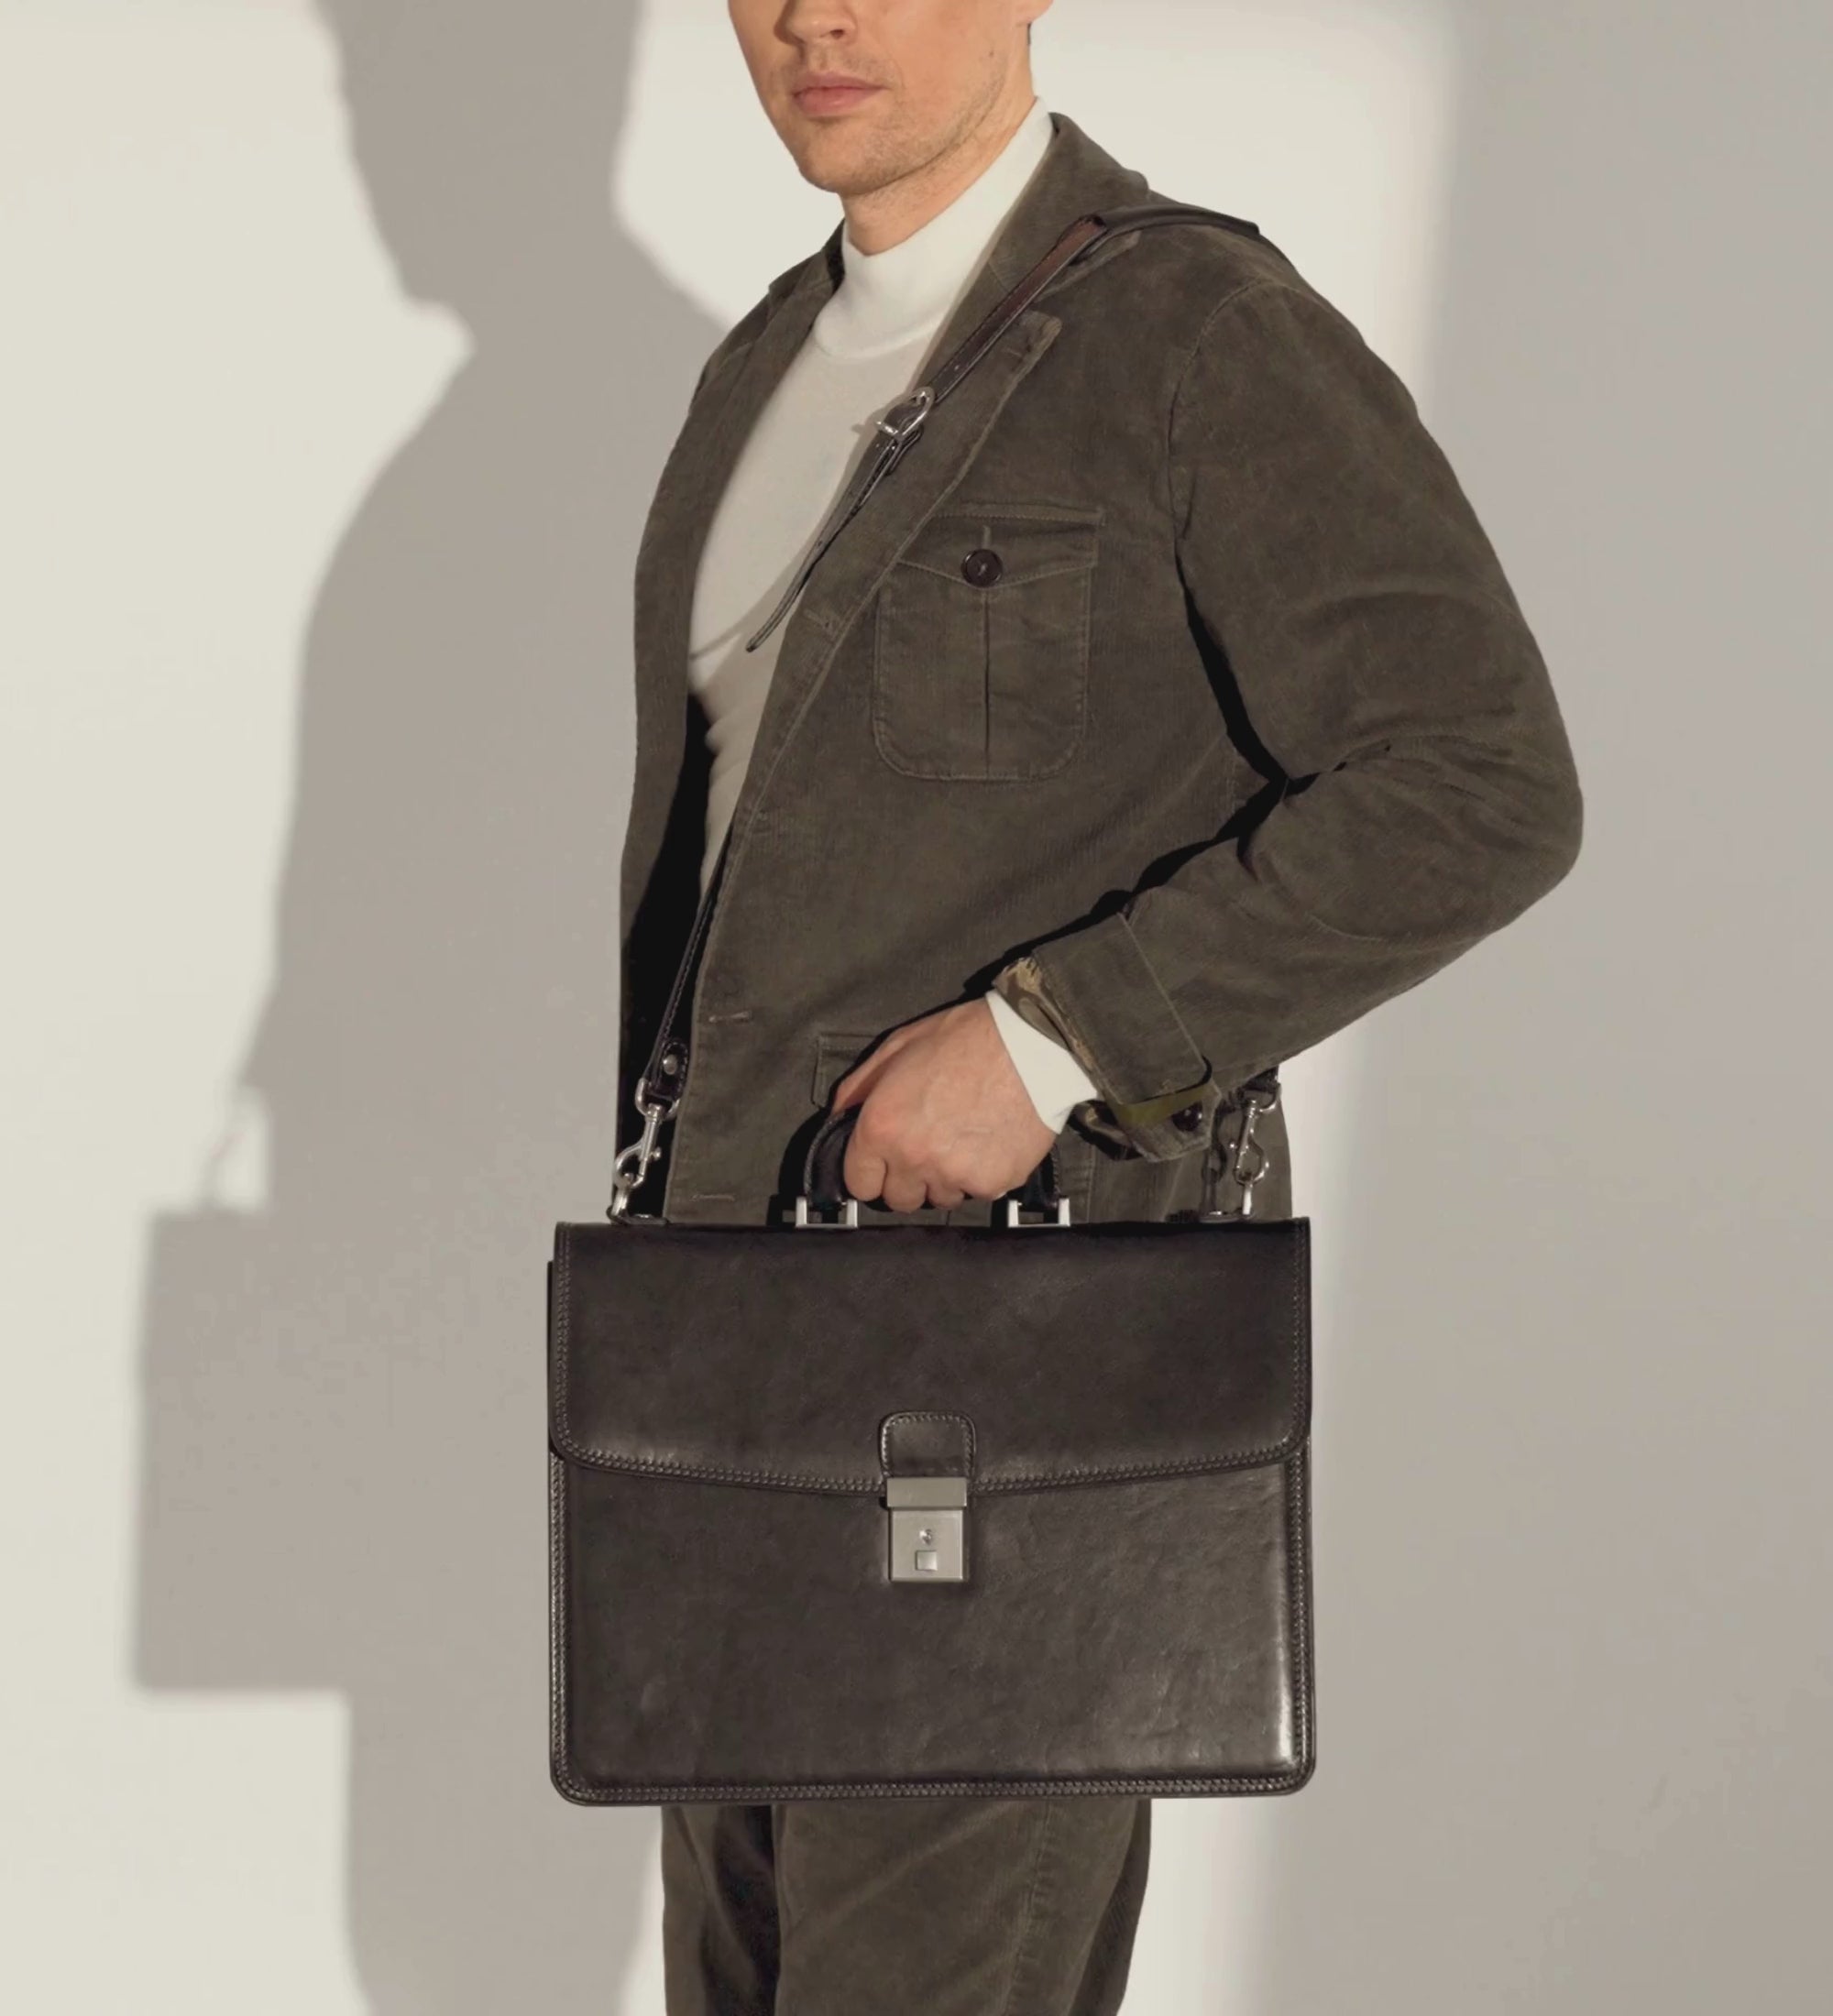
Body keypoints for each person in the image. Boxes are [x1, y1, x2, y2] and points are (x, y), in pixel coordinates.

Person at [616, 3, 1584, 2010]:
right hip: (733, 1380)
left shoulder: (1197, 337)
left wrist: (1054, 1039)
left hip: (998, 1415)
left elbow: (1479, 782)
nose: (814, 14)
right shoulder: (755, 370)